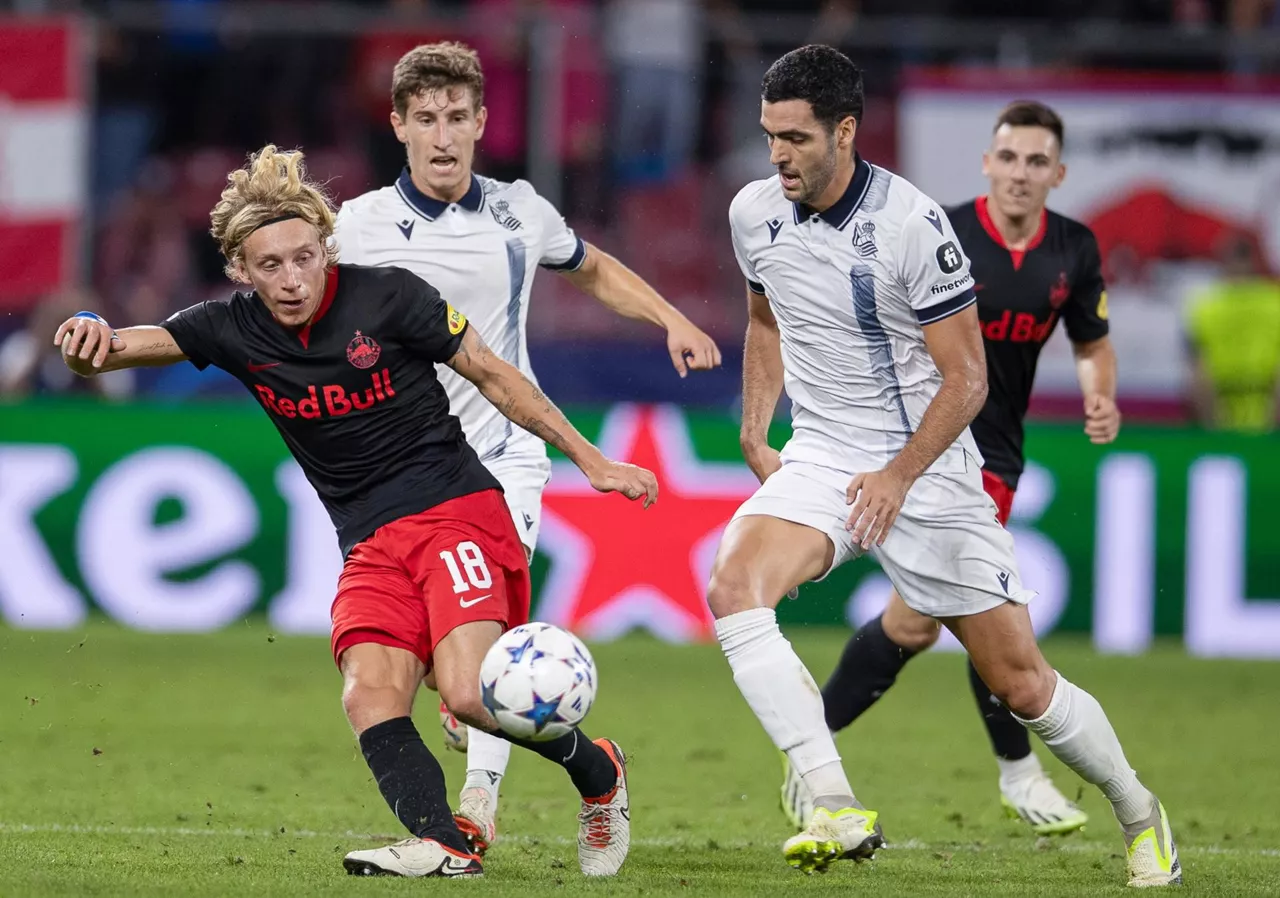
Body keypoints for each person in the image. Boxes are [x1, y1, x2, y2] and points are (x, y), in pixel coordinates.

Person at [53, 144, 655, 879]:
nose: (292, 278)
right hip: (368, 542)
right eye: (269, 265)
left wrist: (591, 459)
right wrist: (88, 341)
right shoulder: (231, 327)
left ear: (324, 249)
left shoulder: (391, 296)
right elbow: (122, 346)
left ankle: (599, 772)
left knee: (468, 695)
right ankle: (445, 843)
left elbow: (498, 377)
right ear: (242, 270)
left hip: (454, 511)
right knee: (368, 692)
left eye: (304, 257)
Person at [707, 46, 1179, 887]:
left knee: (1022, 683)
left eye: (796, 138)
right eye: (769, 134)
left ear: (845, 132)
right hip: (820, 453)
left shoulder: (912, 226)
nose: (777, 154)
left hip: (927, 467)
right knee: (736, 588)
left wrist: (896, 476)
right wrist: (754, 428)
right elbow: (763, 318)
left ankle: (1140, 811)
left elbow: (968, 379)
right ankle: (831, 801)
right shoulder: (754, 212)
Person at [331, 40, 721, 858]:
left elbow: (594, 269)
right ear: (398, 124)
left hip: (500, 466)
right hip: (400, 484)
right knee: (448, 677)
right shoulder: (359, 227)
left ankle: (473, 812)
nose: (444, 137)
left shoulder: (519, 212)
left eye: (459, 118)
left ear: (481, 123)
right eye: (427, 119)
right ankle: (593, 765)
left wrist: (671, 319)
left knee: (487, 670)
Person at [780, 100, 1121, 838]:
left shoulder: (1075, 251)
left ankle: (817, 756)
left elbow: (1092, 341)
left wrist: (1100, 396)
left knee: (931, 621)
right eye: (1008, 157)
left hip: (991, 454)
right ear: (987, 162)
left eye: (1036, 162)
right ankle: (1013, 773)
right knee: (937, 618)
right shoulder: (941, 231)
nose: (1020, 173)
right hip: (915, 443)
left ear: (1057, 173)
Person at [1184, 232, 1280, 432]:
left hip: (1221, 407)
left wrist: (1211, 425)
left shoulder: (1205, 307)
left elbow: (1201, 375)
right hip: (1266, 404)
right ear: (1255, 259)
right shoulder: (1274, 302)